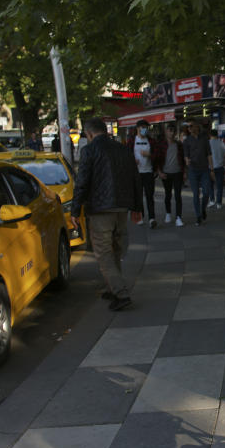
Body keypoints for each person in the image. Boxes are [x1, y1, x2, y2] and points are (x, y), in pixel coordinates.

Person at [71, 118, 143, 311]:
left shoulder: (89, 151)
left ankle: (120, 292)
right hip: (122, 206)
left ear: (89, 134)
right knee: (115, 249)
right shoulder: (123, 149)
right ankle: (113, 287)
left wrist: (75, 210)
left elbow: (82, 182)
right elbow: (135, 179)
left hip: (100, 208)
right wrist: (137, 207)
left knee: (103, 253)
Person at [127, 120, 160, 228]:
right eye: (142, 127)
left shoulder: (151, 141)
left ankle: (152, 218)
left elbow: (157, 155)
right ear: (137, 128)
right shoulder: (132, 140)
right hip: (136, 173)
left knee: (150, 195)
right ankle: (140, 216)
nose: (144, 129)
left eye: (146, 127)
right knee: (138, 196)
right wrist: (132, 161)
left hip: (148, 171)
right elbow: (126, 155)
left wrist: (149, 155)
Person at [182, 121, 213, 225]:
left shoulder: (204, 139)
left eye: (191, 126)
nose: (189, 128)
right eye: (188, 127)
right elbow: (186, 155)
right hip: (193, 170)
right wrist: (187, 160)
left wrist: (212, 169)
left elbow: (209, 154)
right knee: (196, 194)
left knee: (206, 192)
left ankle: (203, 208)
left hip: (204, 170)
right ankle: (198, 216)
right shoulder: (186, 141)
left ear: (196, 126)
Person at [157, 124, 185, 226]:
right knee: (168, 195)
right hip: (166, 173)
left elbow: (182, 159)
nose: (171, 133)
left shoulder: (179, 144)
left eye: (173, 131)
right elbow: (158, 159)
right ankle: (168, 213)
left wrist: (184, 172)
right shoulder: (161, 145)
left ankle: (178, 217)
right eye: (169, 130)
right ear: (166, 132)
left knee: (178, 195)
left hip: (177, 172)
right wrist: (159, 172)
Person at [209, 129, 225, 209]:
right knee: (219, 186)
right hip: (219, 167)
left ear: (210, 135)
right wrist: (222, 157)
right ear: (217, 135)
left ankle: (211, 200)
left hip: (210, 167)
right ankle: (219, 203)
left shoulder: (208, 143)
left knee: (210, 185)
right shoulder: (221, 143)